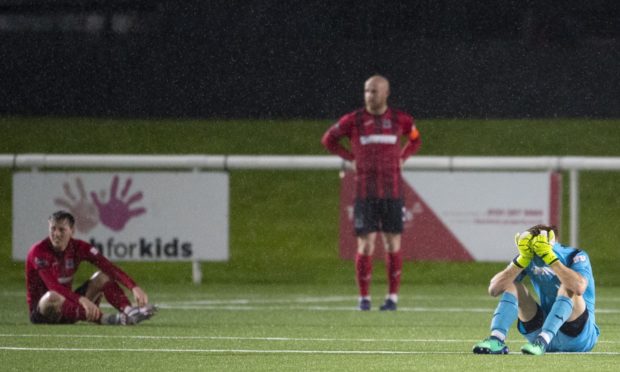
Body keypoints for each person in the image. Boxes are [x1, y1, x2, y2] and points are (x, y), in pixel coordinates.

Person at [321, 75, 421, 311]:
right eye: (367, 90)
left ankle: (392, 299)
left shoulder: (400, 119)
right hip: (365, 192)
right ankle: (364, 299)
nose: (369, 95)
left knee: (392, 242)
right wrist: (350, 158)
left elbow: (415, 139)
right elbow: (328, 140)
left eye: (374, 91)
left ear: (386, 93)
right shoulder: (353, 120)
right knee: (365, 245)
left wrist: (403, 157)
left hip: (392, 191)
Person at [473, 224, 599, 355]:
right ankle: (496, 340)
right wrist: (522, 260)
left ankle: (542, 341)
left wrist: (550, 257)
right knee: (512, 286)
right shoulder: (527, 256)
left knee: (568, 286)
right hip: (540, 330)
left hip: (579, 337)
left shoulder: (575, 255)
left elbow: (579, 287)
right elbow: (494, 289)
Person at [26, 210, 157, 325]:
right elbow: (53, 287)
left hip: (71, 310)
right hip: (44, 312)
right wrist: (82, 300)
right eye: (53, 229)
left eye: (61, 229)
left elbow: (108, 267)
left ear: (72, 231)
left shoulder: (79, 247)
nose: (56, 234)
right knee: (52, 296)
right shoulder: (38, 251)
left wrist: (133, 286)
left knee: (103, 275)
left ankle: (129, 311)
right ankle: (106, 319)